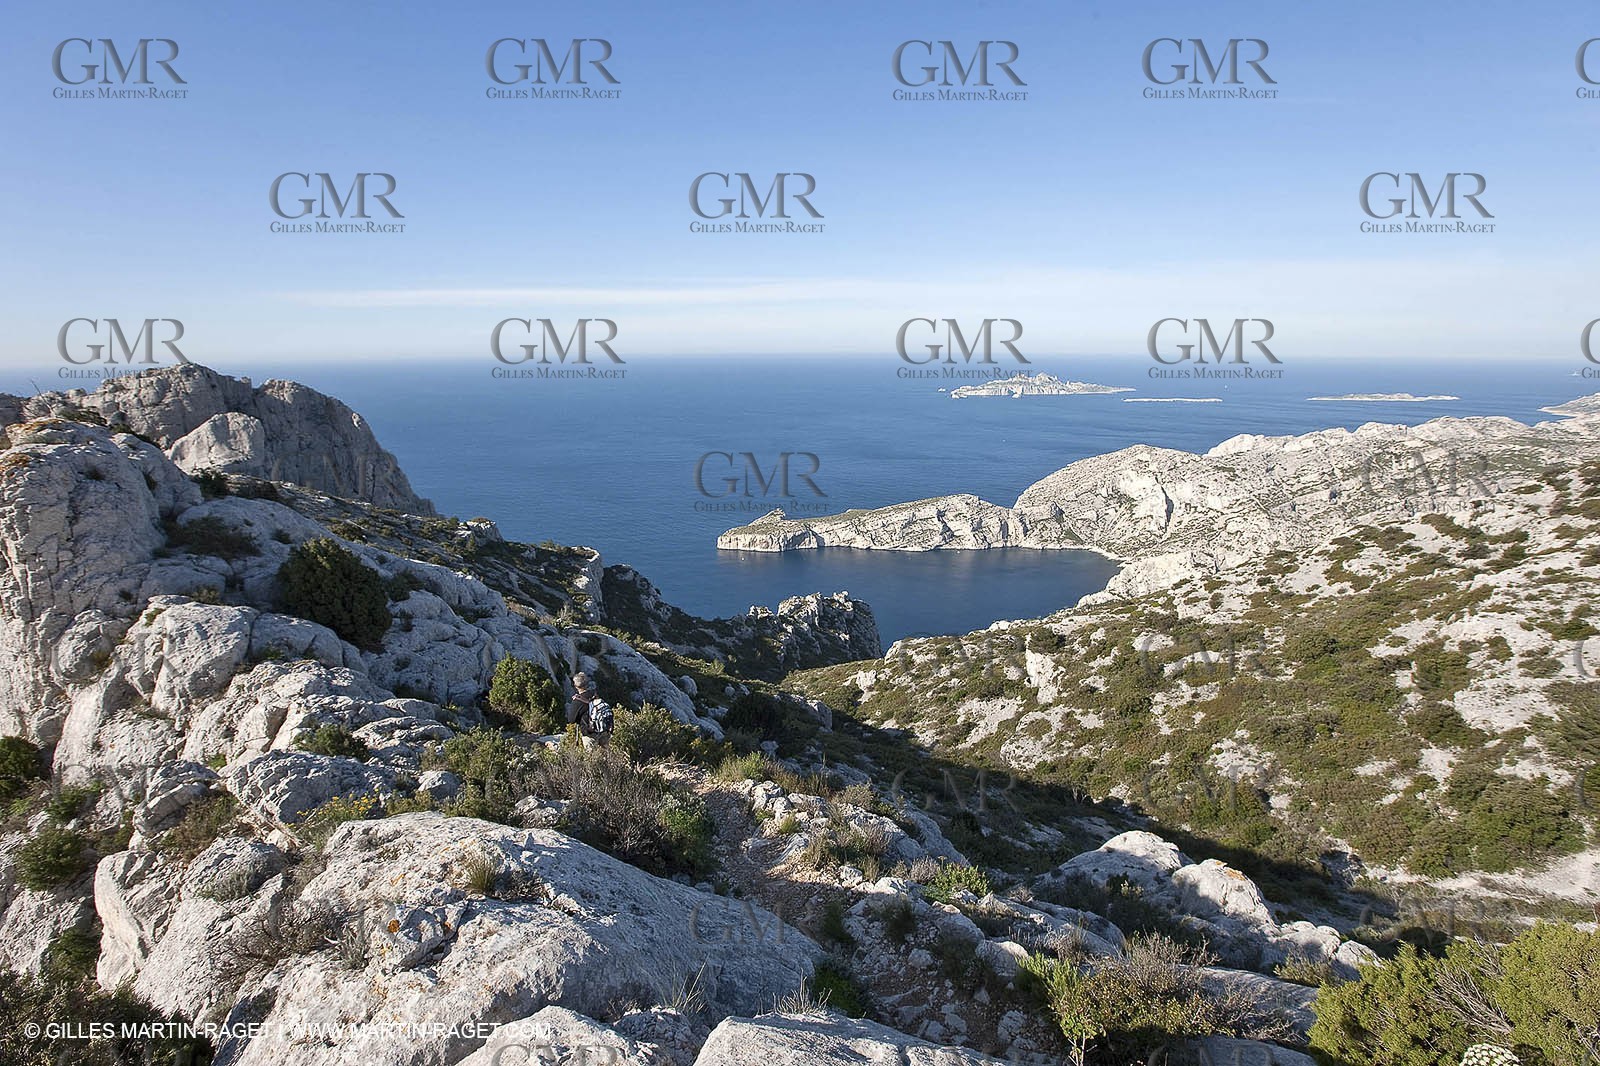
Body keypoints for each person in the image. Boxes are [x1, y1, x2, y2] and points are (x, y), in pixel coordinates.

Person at [567, 672, 613, 747]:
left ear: (575, 686)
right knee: (606, 755)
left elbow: (571, 720)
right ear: (586, 684)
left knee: (592, 757)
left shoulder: (577, 701)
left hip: (589, 732)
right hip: (603, 729)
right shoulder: (595, 695)